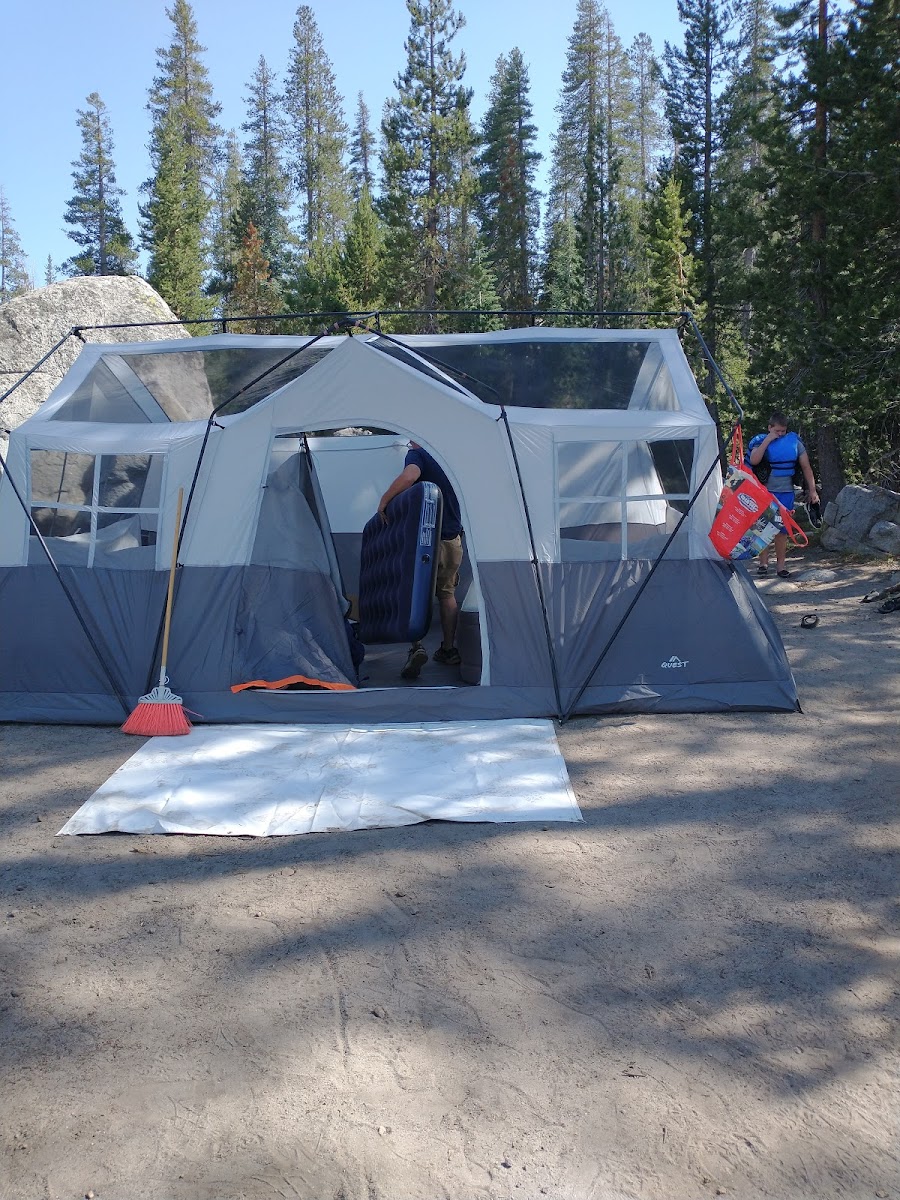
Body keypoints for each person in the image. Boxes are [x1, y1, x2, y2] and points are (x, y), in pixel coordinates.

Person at [377, 442, 464, 680]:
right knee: (447, 595)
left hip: (425, 540)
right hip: (452, 538)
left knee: (413, 593)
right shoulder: (449, 458)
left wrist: (384, 501)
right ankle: (448, 649)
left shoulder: (418, 454)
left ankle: (417, 647)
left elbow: (410, 476)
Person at [746, 412, 819, 578]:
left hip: (786, 492)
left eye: (783, 431)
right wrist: (767, 440)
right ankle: (763, 563)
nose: (780, 434)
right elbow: (755, 460)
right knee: (762, 528)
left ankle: (781, 566)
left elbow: (806, 467)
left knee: (782, 531)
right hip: (763, 491)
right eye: (777, 431)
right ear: (769, 427)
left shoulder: (795, 442)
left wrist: (813, 490)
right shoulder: (760, 441)